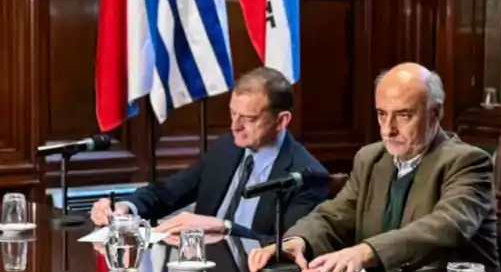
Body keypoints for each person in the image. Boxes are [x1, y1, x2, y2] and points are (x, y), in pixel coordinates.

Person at [248, 63, 498, 272]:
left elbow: (447, 226)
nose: (388, 130)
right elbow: (334, 216)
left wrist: (366, 251)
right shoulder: (371, 159)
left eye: (403, 115)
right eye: (381, 115)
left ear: (435, 113)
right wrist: (298, 241)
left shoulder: (467, 162)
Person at [90, 68, 327, 242]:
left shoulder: (308, 175)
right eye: (233, 114)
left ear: (281, 120)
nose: (235, 126)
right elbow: (165, 193)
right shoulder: (226, 148)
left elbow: (288, 246)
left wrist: (225, 227)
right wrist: (124, 208)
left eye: (249, 119)